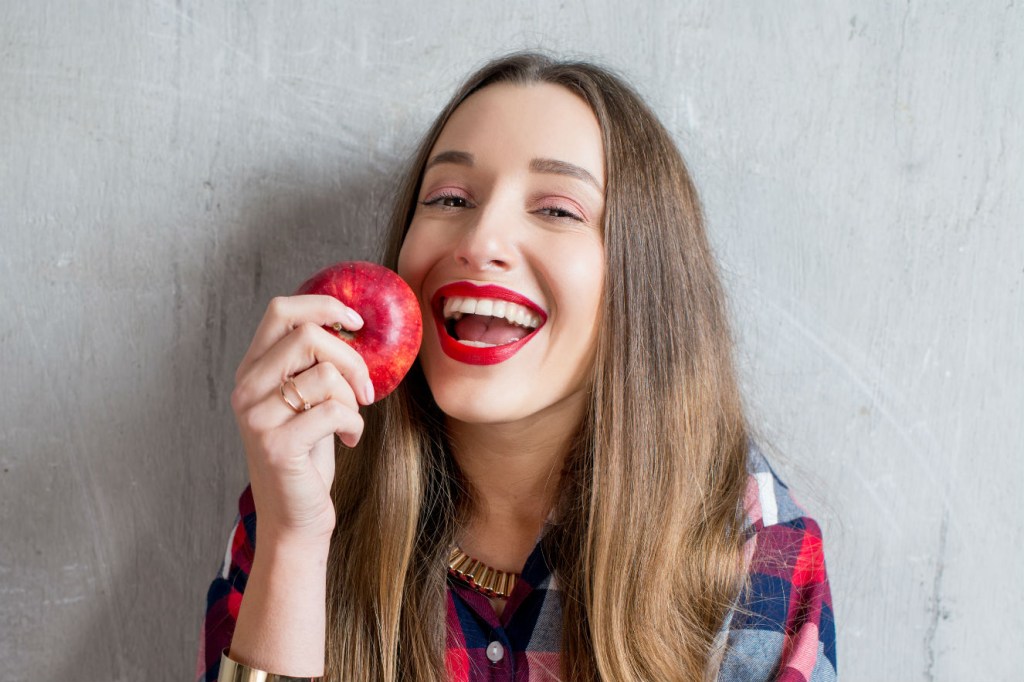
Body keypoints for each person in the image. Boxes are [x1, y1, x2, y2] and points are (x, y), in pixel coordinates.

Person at [197, 52, 836, 682]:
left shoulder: (752, 549)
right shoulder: (302, 490)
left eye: (557, 209)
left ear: (644, 281)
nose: (479, 242)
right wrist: (293, 542)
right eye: (449, 199)